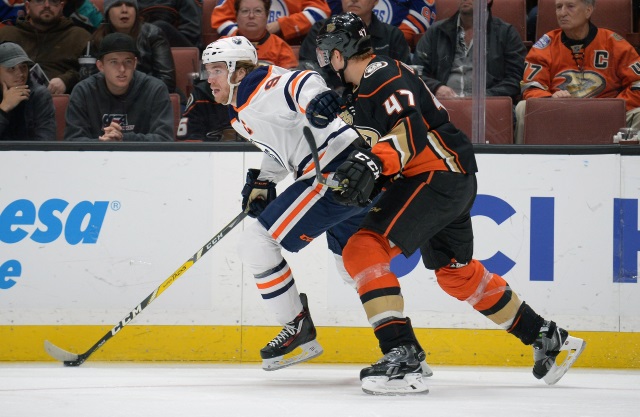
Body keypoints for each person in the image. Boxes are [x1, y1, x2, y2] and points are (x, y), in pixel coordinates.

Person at [307, 12, 586, 395]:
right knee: (455, 273)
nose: (324, 61)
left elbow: (409, 129)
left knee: (362, 247)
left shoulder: (380, 72)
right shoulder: (361, 90)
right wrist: (334, 118)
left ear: (340, 54)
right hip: (450, 179)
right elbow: (376, 133)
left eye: (326, 53)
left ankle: (402, 356)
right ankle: (547, 337)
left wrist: (375, 160)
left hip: (435, 175)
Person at [199, 35, 434, 376]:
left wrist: (318, 99)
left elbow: (301, 81)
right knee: (354, 267)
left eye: (217, 70)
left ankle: (296, 328)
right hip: (354, 172)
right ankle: (405, 347)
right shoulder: (241, 106)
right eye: (208, 70)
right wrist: (264, 179)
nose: (209, 79)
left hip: (334, 172)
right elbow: (288, 139)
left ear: (237, 71)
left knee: (256, 242)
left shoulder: (263, 83)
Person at [514, 0, 640, 144]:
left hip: (607, 116)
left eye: (570, 6)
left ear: (588, 10)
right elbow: (531, 88)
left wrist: (612, 106)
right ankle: (525, 162)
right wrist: (551, 100)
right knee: (523, 108)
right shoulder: (545, 46)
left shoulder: (614, 43)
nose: (562, 13)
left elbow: (638, 85)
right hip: (558, 114)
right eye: (558, 7)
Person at [64, 32, 174, 141]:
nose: (122, 69)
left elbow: (164, 139)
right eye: (113, 62)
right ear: (101, 66)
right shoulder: (83, 91)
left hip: (141, 158)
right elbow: (73, 140)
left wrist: (123, 139)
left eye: (128, 61)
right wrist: (104, 143)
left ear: (135, 63)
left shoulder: (155, 89)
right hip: (95, 158)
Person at [412, 0, 526, 101]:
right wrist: (436, 87)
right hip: (442, 105)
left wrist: (486, 96)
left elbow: (515, 79)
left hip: (488, 106)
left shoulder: (506, 33)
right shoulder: (436, 31)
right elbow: (415, 71)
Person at [298, 0, 411, 90]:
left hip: (379, 100)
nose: (354, 0)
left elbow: (404, 75)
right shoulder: (321, 29)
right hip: (332, 101)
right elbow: (309, 69)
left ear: (376, 1)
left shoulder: (392, 35)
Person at [0, 0, 92, 94]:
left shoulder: (80, 36)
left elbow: (94, 72)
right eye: (40, 1)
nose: (47, 5)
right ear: (27, 7)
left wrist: (67, 80)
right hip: (8, 100)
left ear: (62, 7)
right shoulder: (6, 35)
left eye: (53, 1)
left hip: (62, 101)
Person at [89, 0, 176, 94]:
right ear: (107, 12)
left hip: (151, 98)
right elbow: (90, 81)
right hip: (109, 100)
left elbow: (166, 80)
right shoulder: (97, 39)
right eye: (117, 5)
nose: (124, 10)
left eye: (130, 5)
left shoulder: (153, 34)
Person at [0, 41, 55, 140]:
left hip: (31, 154)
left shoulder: (39, 95)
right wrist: (3, 109)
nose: (20, 74)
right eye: (11, 68)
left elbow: (46, 140)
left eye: (23, 67)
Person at [211, 0, 331, 45]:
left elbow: (320, 12)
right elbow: (221, 19)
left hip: (288, 46)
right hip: (244, 50)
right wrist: (244, 38)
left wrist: (282, 25)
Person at [325, 0, 436, 46]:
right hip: (343, 40)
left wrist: (395, 37)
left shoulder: (393, 36)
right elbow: (328, 10)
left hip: (390, 44)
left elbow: (422, 14)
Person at [233, 0, 298, 69]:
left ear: (267, 15)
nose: (251, 16)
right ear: (236, 15)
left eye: (258, 11)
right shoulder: (222, 45)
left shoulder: (281, 48)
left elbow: (290, 78)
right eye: (245, 11)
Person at [137, 0, 201, 48]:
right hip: (141, 40)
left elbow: (191, 31)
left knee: (160, 27)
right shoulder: (134, 2)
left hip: (181, 44)